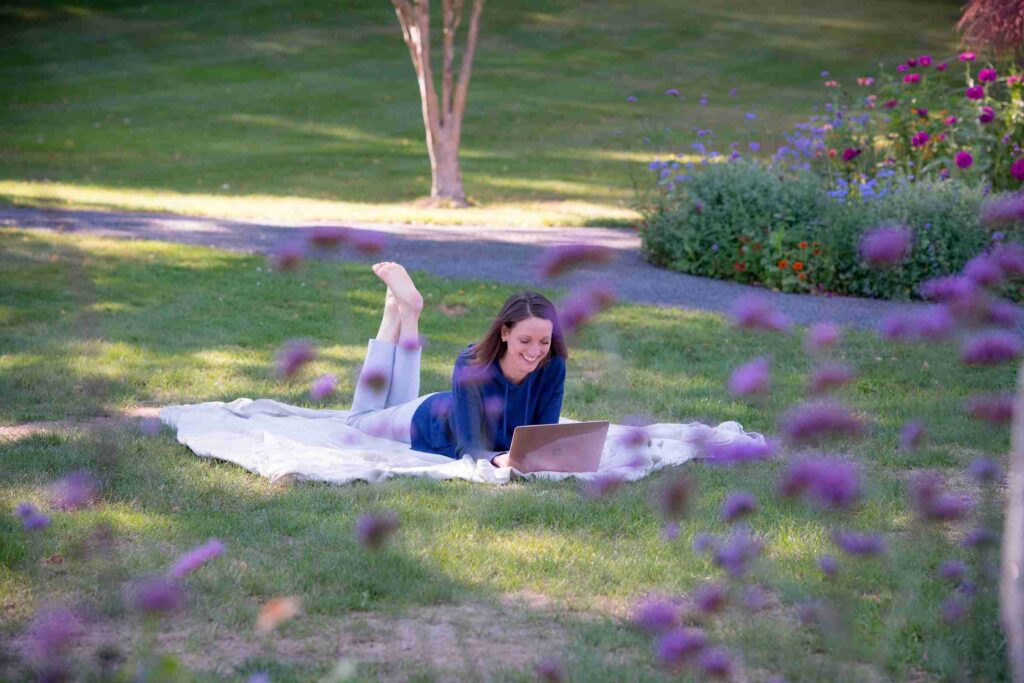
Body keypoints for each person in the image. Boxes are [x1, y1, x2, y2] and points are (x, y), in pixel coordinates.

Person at [346, 262, 568, 467]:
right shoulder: (472, 364)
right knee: (360, 418)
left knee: (393, 405)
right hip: (428, 421)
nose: (535, 351)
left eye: (544, 341)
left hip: (449, 408)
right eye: (525, 340)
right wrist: (500, 459)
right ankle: (397, 314)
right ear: (505, 332)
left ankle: (402, 310)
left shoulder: (553, 366)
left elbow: (544, 437)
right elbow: (468, 449)